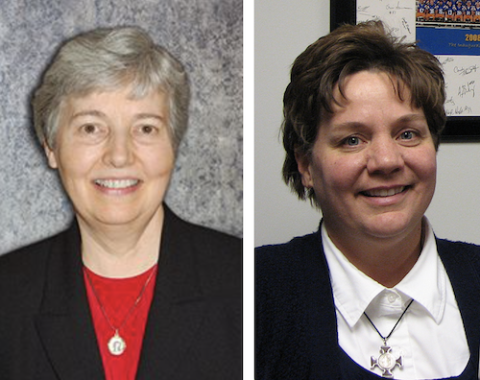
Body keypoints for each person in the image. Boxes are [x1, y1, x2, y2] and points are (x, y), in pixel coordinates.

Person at [0, 26, 242, 380]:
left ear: (172, 145)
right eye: (90, 128)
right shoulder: (6, 296)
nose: (118, 155)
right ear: (51, 147)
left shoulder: (244, 284)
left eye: (145, 128)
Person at [256, 21, 480, 379]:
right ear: (305, 164)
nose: (387, 161)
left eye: (407, 134)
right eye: (352, 140)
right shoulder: (254, 293)